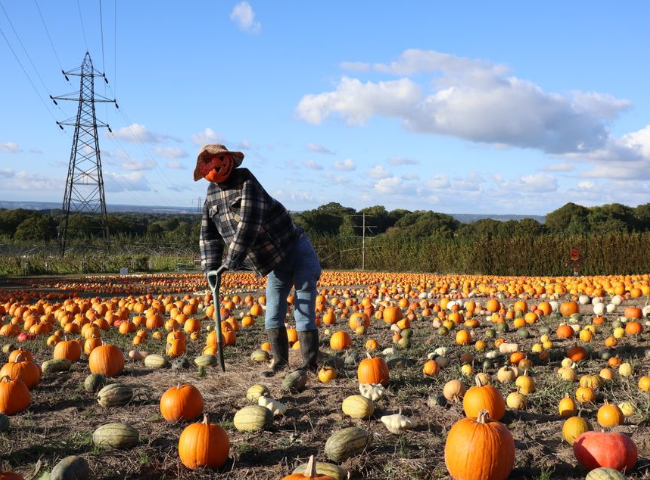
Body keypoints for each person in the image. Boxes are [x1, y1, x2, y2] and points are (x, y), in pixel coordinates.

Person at [194, 144, 321, 377]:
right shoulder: (211, 195)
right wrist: (210, 267)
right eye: (208, 163)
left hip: (296, 250)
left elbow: (249, 224)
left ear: (230, 160)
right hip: (273, 261)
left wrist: (230, 261)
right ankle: (280, 362)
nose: (216, 166)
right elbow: (209, 235)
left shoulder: (246, 182)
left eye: (219, 160)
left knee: (303, 310)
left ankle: (309, 365)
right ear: (203, 169)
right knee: (272, 311)